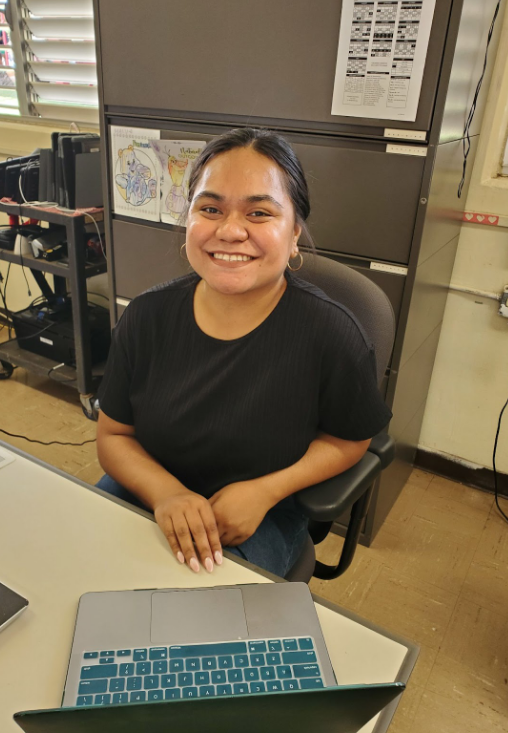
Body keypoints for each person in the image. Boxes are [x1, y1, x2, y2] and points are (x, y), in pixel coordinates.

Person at [96, 127, 392, 578]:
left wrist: (266, 491)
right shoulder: (146, 316)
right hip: (148, 488)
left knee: (203, 631)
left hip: (260, 513)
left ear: (294, 232)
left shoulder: (331, 333)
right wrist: (167, 494)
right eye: (210, 208)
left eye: (259, 212)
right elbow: (114, 436)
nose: (230, 231)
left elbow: (350, 440)